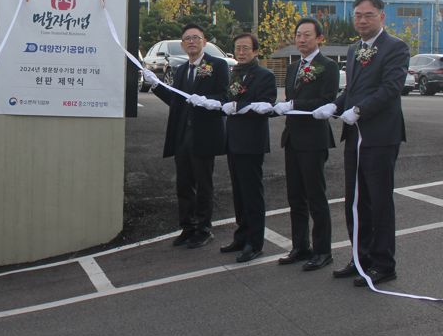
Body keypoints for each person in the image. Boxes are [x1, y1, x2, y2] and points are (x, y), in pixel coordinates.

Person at [313, 0, 409, 286]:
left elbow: (391, 88)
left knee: (379, 201)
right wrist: (336, 105)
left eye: (368, 15)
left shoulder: (396, 47)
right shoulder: (354, 50)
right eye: (357, 15)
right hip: (354, 135)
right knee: (355, 200)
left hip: (380, 136)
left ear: (381, 16)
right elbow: (353, 89)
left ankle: (384, 263)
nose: (362, 20)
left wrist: (359, 110)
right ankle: (360, 258)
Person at [142, 23, 229, 249]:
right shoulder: (181, 69)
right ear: (182, 44)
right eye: (187, 39)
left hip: (204, 134)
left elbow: (223, 95)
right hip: (182, 134)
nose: (191, 41)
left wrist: (206, 100)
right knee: (183, 184)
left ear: (204, 41)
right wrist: (156, 85)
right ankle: (187, 227)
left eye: (196, 38)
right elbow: (175, 100)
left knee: (203, 183)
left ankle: (203, 228)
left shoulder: (217, 65)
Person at [273, 18, 339, 271]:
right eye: (298, 35)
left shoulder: (329, 66)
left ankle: (323, 251)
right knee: (295, 196)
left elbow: (327, 100)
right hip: (293, 138)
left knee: (315, 197)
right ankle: (300, 246)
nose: (301, 39)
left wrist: (294, 106)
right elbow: (290, 98)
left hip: (314, 140)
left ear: (319, 38)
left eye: (307, 35)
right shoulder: (293, 68)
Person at [220, 33, 277, 263]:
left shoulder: (264, 76)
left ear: (255, 51)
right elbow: (227, 98)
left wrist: (239, 106)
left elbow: (267, 105)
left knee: (252, 193)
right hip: (233, 140)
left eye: (245, 48)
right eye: (237, 48)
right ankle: (241, 235)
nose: (241, 52)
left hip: (252, 142)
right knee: (239, 192)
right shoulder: (234, 73)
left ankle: (255, 242)